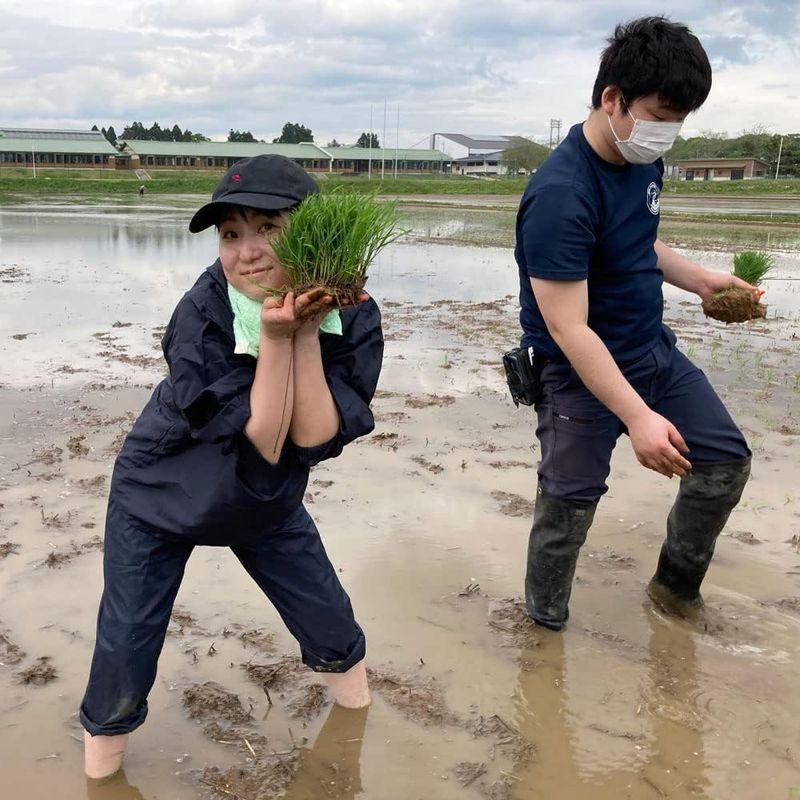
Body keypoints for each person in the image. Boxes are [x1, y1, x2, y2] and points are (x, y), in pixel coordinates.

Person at [80, 154, 383, 778]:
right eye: (230, 234)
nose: (246, 251)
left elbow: (312, 438)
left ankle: (356, 716)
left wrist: (301, 334)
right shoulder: (202, 313)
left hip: (264, 499)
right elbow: (261, 440)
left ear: (317, 231)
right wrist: (275, 338)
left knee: (328, 616)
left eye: (267, 227)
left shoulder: (352, 313)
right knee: (126, 645)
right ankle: (101, 777)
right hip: (159, 493)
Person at [515, 16, 754, 631]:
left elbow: (638, 245)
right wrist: (637, 416)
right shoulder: (561, 193)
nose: (668, 132)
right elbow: (570, 328)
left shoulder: (641, 159)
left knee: (723, 463)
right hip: (576, 372)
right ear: (613, 99)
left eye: (680, 119)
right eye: (661, 113)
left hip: (650, 350)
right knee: (568, 508)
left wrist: (702, 279)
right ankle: (544, 629)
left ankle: (675, 592)